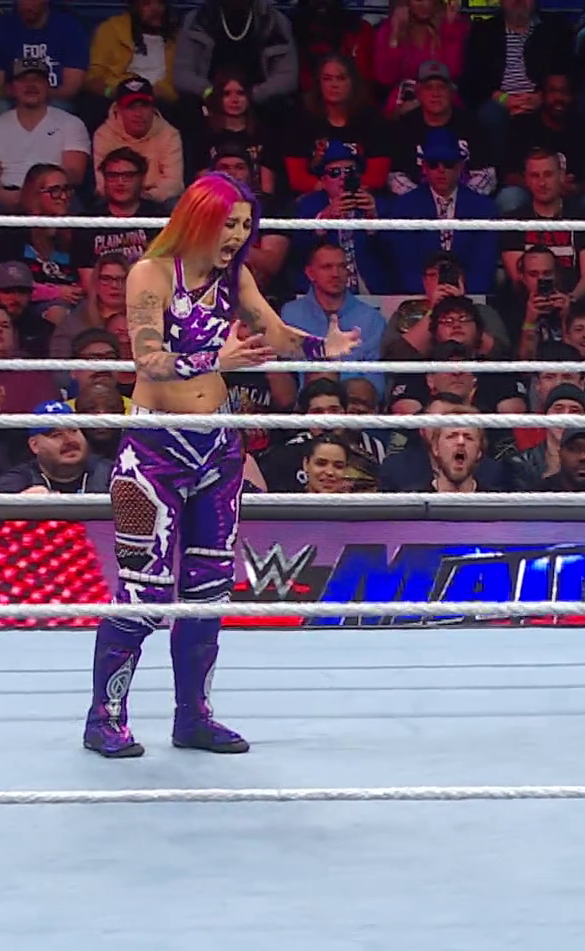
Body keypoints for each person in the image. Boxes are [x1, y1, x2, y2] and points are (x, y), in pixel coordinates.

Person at [86, 172, 359, 760]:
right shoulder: (150, 274)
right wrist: (217, 357)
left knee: (208, 592)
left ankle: (194, 717)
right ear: (199, 219)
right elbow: (148, 360)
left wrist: (322, 348)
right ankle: (104, 718)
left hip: (217, 448)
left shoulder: (236, 278)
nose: (237, 236)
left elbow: (276, 334)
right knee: (144, 594)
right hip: (154, 450)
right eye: (228, 224)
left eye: (244, 225)